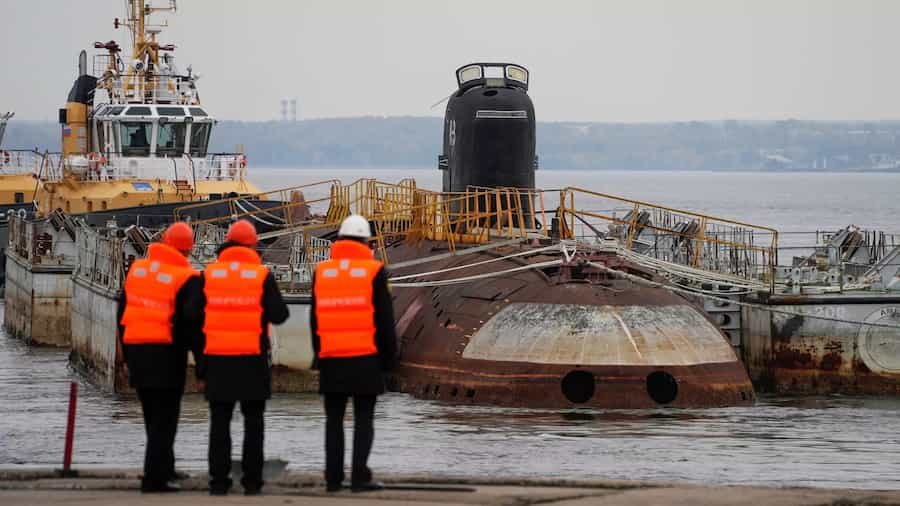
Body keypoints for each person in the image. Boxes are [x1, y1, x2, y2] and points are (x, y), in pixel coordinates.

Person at [190, 219, 289, 496]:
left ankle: (218, 483)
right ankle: (252, 483)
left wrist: (201, 362)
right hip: (252, 360)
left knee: (219, 423)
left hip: (217, 359)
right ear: (252, 246)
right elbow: (280, 315)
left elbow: (190, 314)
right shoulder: (261, 276)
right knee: (253, 423)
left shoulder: (208, 275)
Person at [310, 214, 398, 493]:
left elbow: (315, 320)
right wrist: (389, 361)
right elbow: (385, 321)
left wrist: (318, 356)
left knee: (333, 420)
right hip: (365, 358)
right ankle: (360, 478)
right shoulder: (374, 271)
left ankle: (333, 480)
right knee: (363, 419)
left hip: (332, 358)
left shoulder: (322, 272)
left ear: (339, 241)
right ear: (366, 242)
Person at [117, 222, 201, 493]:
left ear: (164, 241)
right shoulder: (186, 277)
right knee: (165, 419)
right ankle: (155, 480)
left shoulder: (138, 270)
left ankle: (165, 467)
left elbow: (122, 315)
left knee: (151, 416)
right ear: (189, 249)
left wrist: (126, 355)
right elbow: (192, 324)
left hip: (137, 350)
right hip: (166, 354)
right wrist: (202, 364)